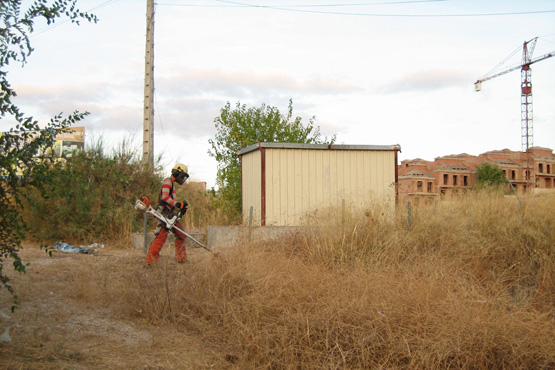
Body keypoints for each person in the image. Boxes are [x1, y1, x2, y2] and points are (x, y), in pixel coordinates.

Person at [145, 164, 189, 265]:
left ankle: (181, 259)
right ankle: (150, 262)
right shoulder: (167, 181)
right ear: (176, 172)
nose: (182, 178)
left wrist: (180, 207)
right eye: (181, 176)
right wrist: (177, 204)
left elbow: (169, 200)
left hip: (169, 213)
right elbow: (164, 197)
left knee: (181, 234)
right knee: (161, 236)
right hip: (164, 213)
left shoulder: (172, 184)